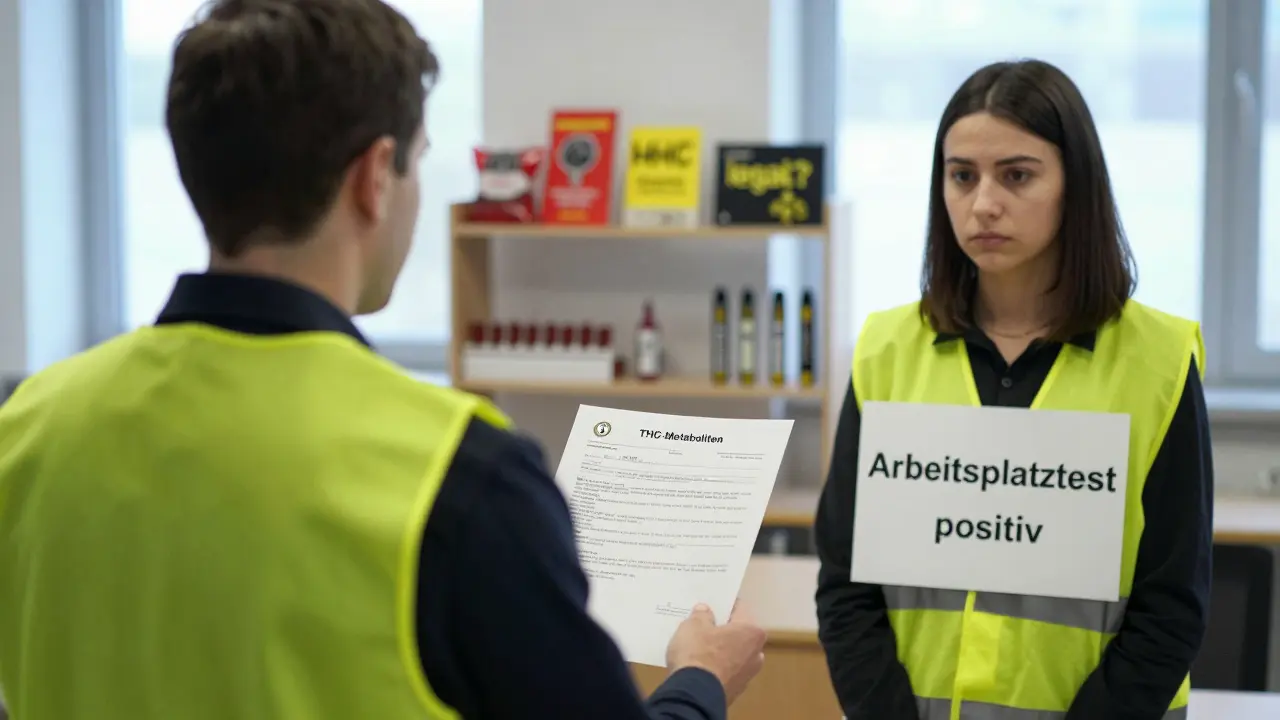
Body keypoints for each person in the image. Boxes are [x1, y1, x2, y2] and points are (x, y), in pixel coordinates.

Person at [0, 2, 768, 719]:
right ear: (374, 179)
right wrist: (699, 680)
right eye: (419, 162)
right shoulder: (460, 476)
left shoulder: (31, 424)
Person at [814, 59, 1213, 720]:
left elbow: (1172, 608)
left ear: (1074, 185)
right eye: (961, 176)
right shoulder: (886, 349)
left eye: (1017, 175)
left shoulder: (1160, 361)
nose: (983, 204)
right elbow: (844, 586)